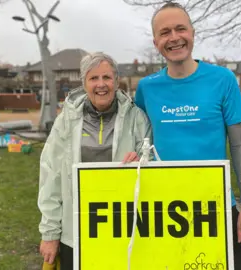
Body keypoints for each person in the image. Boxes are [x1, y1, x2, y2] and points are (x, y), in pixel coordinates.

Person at [134, 2, 241, 270]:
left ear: (192, 32)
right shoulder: (146, 88)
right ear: (156, 41)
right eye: (165, 32)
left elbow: (239, 144)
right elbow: (139, 140)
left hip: (217, 208)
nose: (174, 37)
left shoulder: (223, 79)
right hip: (164, 212)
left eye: (180, 29)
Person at [37, 52, 152, 270]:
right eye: (93, 78)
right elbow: (51, 175)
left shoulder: (136, 118)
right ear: (84, 83)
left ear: (117, 81)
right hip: (75, 235)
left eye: (107, 78)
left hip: (124, 233)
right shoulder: (66, 121)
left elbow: (153, 165)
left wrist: (142, 160)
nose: (101, 85)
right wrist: (50, 233)